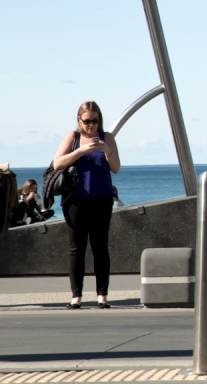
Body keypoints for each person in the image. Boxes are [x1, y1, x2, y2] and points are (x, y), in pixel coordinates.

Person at [51, 101, 121, 309]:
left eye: (95, 121)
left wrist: (107, 150)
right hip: (76, 200)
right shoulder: (73, 138)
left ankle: (102, 295)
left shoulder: (107, 138)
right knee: (77, 248)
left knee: (100, 247)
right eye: (87, 121)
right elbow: (57, 163)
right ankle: (76, 296)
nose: (91, 126)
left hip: (102, 199)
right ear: (79, 120)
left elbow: (116, 168)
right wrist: (81, 151)